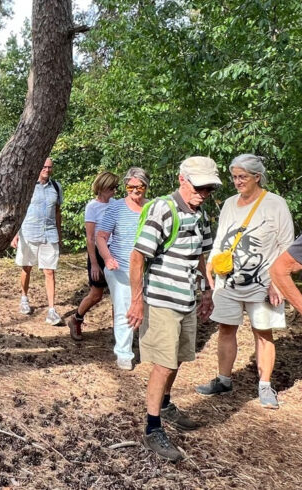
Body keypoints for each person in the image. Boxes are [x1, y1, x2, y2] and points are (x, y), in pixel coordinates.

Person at [128, 156, 219, 462]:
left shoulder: (200, 214)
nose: (204, 193)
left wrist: (207, 291)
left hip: (187, 299)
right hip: (162, 300)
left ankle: (165, 405)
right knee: (164, 364)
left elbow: (201, 254)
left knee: (178, 358)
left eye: (209, 188)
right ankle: (152, 428)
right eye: (199, 187)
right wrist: (137, 300)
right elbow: (138, 256)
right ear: (182, 179)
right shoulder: (163, 209)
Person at [195, 154, 294, 409]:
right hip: (228, 281)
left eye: (243, 177)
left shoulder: (275, 204)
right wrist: (211, 266)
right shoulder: (229, 203)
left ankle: (265, 386)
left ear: (257, 177)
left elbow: (286, 246)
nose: (237, 181)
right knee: (226, 328)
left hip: (263, 282)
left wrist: (277, 282)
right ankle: (224, 380)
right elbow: (221, 238)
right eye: (234, 177)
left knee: (263, 332)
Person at [90, 167, 150, 370]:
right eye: (130, 187)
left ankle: (148, 348)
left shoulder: (152, 208)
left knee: (147, 308)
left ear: (146, 186)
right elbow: (100, 237)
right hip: (120, 267)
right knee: (125, 309)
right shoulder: (115, 208)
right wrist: (107, 258)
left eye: (139, 186)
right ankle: (124, 353)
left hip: (147, 268)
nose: (135, 190)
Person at [67, 171, 119, 341]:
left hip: (115, 251)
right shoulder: (92, 207)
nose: (114, 191)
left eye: (116, 187)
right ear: (102, 188)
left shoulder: (117, 204)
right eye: (111, 188)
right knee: (96, 294)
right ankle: (76, 319)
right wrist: (94, 264)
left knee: (117, 294)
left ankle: (118, 333)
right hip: (98, 252)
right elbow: (90, 238)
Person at [11, 158, 63, 325]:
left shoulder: (56, 187)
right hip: (28, 232)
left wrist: (59, 233)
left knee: (50, 271)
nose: (47, 170)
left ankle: (52, 310)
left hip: (50, 234)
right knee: (26, 267)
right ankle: (24, 298)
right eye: (44, 167)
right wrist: (14, 234)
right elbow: (18, 211)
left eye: (49, 167)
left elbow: (57, 212)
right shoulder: (27, 186)